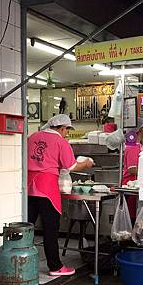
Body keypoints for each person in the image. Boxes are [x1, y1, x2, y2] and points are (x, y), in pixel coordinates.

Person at [27, 114, 94, 276]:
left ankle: (22, 262)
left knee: (27, 226)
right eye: (66, 130)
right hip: (47, 188)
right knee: (51, 228)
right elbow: (71, 166)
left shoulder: (32, 137)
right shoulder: (60, 142)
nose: (66, 134)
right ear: (62, 128)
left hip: (28, 185)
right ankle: (55, 267)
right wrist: (86, 163)